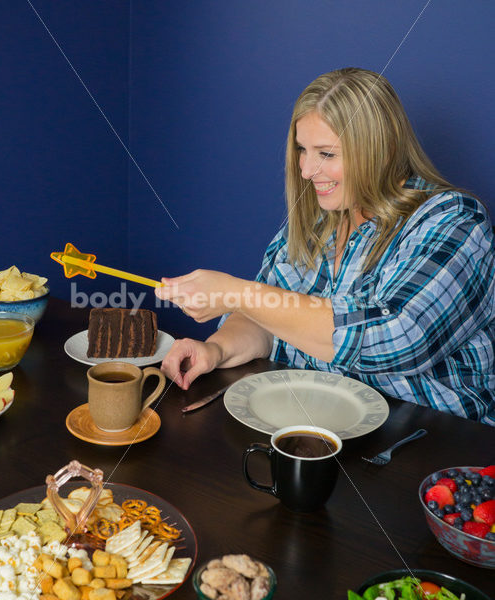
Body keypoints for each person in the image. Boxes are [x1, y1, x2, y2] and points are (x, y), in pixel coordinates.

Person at [154, 67, 495, 426]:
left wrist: (239, 293)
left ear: (385, 149)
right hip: (324, 426)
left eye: (327, 154)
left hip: (435, 443)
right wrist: (216, 349)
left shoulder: (453, 221)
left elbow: (398, 338)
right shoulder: (319, 219)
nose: (306, 170)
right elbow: (269, 318)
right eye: (303, 150)